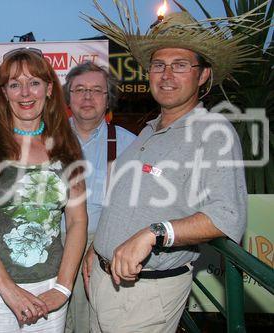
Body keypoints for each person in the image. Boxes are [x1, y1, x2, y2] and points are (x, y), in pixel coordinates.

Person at [81, 5, 259, 332]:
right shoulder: (147, 130)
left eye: (180, 65)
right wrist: (98, 248)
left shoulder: (212, 132)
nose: (166, 75)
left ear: (203, 74)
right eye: (159, 65)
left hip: (145, 294)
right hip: (105, 282)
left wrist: (154, 233)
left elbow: (227, 215)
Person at [0, 48, 88, 332]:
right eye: (15, 84)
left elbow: (77, 221)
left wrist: (63, 288)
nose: (25, 93)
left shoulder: (67, 146)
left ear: (49, 89)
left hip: (50, 289)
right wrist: (8, 289)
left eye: (34, 83)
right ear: (3, 93)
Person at [61, 62, 136, 333]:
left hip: (102, 243)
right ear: (68, 96)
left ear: (108, 98)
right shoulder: (47, 139)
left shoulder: (129, 144)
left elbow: (133, 207)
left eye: (96, 90)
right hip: (50, 243)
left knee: (92, 322)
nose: (87, 97)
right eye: (79, 89)